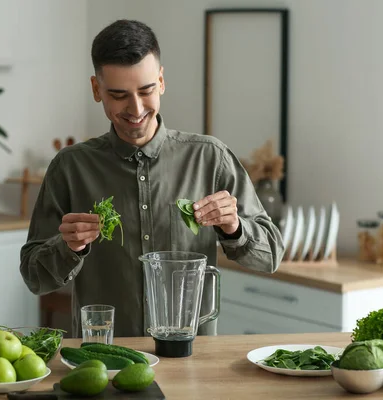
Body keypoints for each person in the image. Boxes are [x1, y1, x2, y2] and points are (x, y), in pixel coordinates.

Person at [20, 19, 284, 338]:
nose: (136, 109)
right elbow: (35, 277)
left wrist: (235, 228)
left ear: (160, 81)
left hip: (191, 359)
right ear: (96, 89)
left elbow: (271, 255)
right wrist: (68, 247)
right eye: (118, 95)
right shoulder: (70, 167)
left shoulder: (210, 157)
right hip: (104, 361)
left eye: (145, 91)